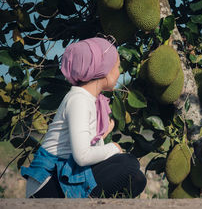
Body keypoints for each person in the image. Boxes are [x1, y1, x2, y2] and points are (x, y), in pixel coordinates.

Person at [21, 36, 146, 198]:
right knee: (128, 163)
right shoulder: (78, 99)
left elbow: (87, 154)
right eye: (117, 67)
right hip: (47, 184)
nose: (119, 72)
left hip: (68, 174)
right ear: (104, 69)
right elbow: (82, 157)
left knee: (137, 179)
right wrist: (113, 147)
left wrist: (101, 136)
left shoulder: (91, 101)